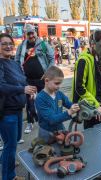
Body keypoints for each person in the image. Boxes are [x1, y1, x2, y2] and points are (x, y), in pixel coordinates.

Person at [0, 33, 37, 180]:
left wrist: (29, 90)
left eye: (10, 43)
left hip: (17, 109)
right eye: (4, 43)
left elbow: (22, 81)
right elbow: (1, 86)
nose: (8, 46)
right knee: (10, 144)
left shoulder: (14, 63)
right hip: (7, 111)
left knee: (15, 140)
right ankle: (9, 176)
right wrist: (23, 90)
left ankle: (5, 160)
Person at [15, 24, 55, 134]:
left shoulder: (43, 44)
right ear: (25, 35)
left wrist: (48, 72)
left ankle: (48, 120)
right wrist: (20, 76)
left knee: (46, 100)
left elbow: (52, 59)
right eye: (29, 34)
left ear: (36, 33)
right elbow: (17, 62)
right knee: (30, 102)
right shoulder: (21, 46)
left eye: (32, 33)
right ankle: (30, 121)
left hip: (43, 79)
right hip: (28, 80)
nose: (31, 36)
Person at [71, 29, 101, 129]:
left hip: (96, 101)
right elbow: (79, 87)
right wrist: (96, 105)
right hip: (89, 105)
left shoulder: (97, 56)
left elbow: (99, 79)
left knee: (99, 130)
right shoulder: (83, 60)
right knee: (91, 132)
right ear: (93, 44)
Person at [35, 66, 81, 142]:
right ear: (47, 81)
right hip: (47, 134)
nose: (59, 86)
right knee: (49, 152)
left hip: (60, 130)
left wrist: (80, 104)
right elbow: (51, 120)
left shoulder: (59, 94)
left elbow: (68, 104)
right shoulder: (40, 98)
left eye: (60, 83)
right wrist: (69, 112)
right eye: (57, 83)